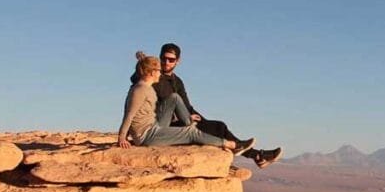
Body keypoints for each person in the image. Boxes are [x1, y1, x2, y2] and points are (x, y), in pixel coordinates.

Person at [130, 43, 283, 168]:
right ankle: (256, 155)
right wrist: (142, 63)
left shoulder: (178, 81)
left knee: (217, 126)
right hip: (164, 125)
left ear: (178, 61)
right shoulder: (154, 76)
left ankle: (256, 155)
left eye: (171, 60)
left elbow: (187, 105)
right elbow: (137, 80)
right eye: (164, 59)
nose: (166, 63)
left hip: (183, 118)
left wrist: (201, 120)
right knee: (217, 128)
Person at [118, 51, 257, 153]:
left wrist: (187, 117)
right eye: (159, 70)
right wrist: (122, 138)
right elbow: (129, 114)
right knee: (191, 134)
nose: (161, 73)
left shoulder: (146, 86)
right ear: (152, 72)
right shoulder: (140, 89)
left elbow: (145, 67)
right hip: (147, 136)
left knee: (174, 97)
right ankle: (230, 145)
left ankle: (190, 124)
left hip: (154, 126)